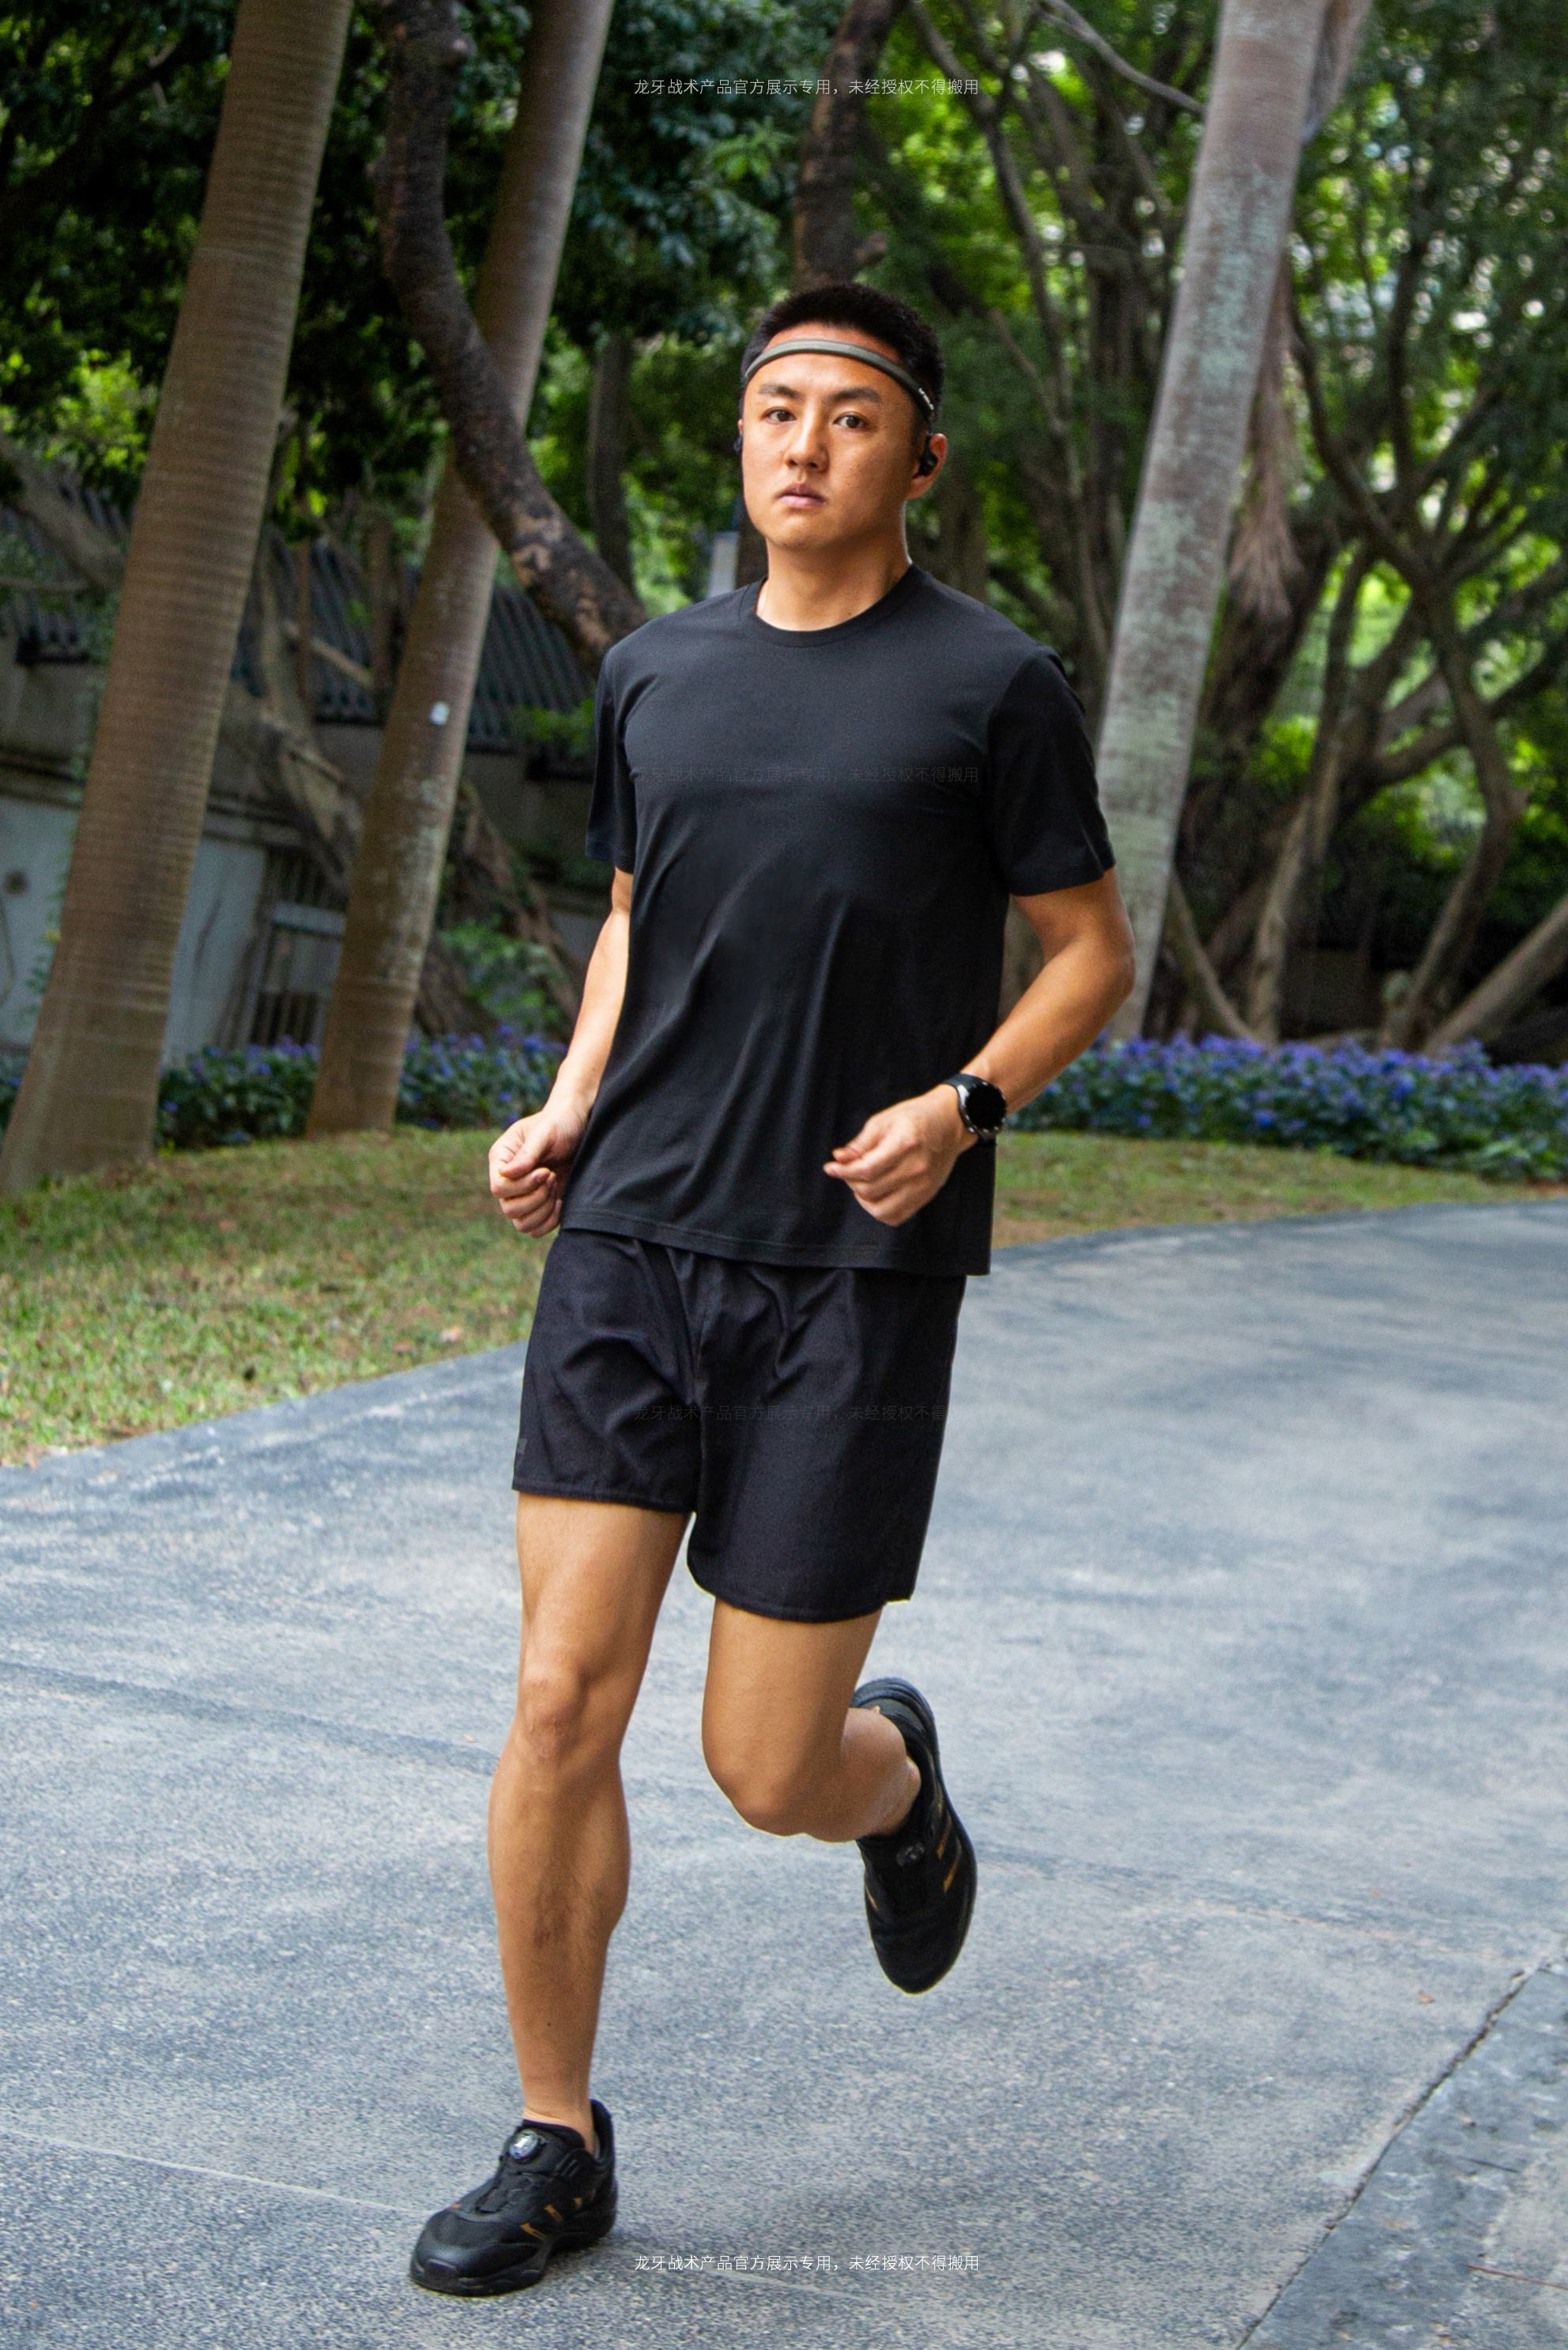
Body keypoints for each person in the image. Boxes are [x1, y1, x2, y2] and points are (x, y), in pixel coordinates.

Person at [409, 281, 1135, 2299]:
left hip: (849, 1265)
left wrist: (964, 1105)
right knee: (558, 1695)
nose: (801, 443)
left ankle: (888, 1784)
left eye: (846, 414)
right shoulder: (654, 670)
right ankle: (554, 2136)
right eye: (771, 409)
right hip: (632, 1240)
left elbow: (1089, 949)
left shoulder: (990, 685)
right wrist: (565, 1102)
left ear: (917, 456)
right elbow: (634, 920)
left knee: (760, 1765)